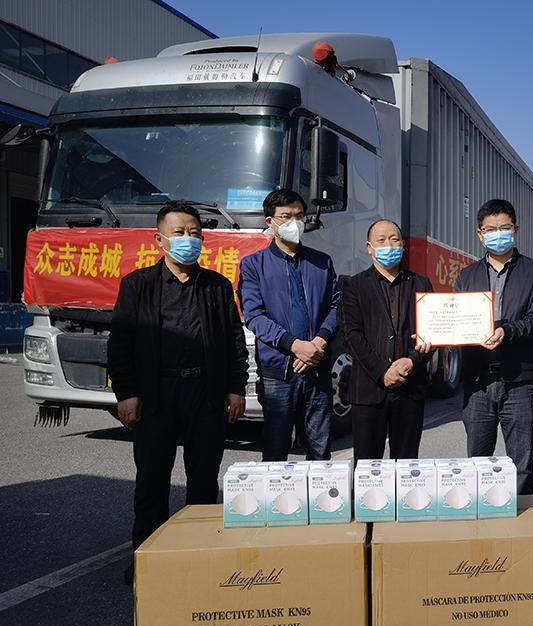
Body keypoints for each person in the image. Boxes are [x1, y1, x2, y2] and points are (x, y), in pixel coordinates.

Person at [107, 203, 248, 583]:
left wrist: (236, 388)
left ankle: (198, 557)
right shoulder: (137, 285)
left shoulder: (217, 286)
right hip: (156, 394)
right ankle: (147, 561)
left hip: (206, 393)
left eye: (195, 233)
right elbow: (120, 344)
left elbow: (234, 342)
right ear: (160, 239)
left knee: (203, 480)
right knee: (152, 481)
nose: (189, 240)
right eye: (180, 233)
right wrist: (126, 393)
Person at [454, 198, 533, 494]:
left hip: (518, 379)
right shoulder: (466, 276)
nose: (498, 234)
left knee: (520, 462)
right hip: (477, 381)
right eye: (490, 229)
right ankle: (478, 512)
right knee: (477, 461)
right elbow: (455, 320)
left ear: (515, 230)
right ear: (480, 234)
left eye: (504, 228)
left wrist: (507, 331)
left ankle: (521, 513)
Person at [238, 189, 339, 462]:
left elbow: (336, 306)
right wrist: (295, 346)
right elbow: (255, 316)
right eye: (286, 216)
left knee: (320, 451)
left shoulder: (322, 262)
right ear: (270, 221)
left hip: (317, 367)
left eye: (299, 216)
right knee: (275, 451)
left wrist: (317, 344)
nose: (294, 222)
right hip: (278, 373)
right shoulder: (253, 265)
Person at [338, 219, 434, 461]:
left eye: (394, 240)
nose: (389, 245)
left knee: (406, 463)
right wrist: (382, 370)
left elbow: (432, 332)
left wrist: (412, 361)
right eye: (381, 240)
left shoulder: (421, 283)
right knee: (367, 466)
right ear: (369, 247)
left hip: (410, 387)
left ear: (403, 245)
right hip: (368, 390)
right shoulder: (353, 285)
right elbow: (351, 334)